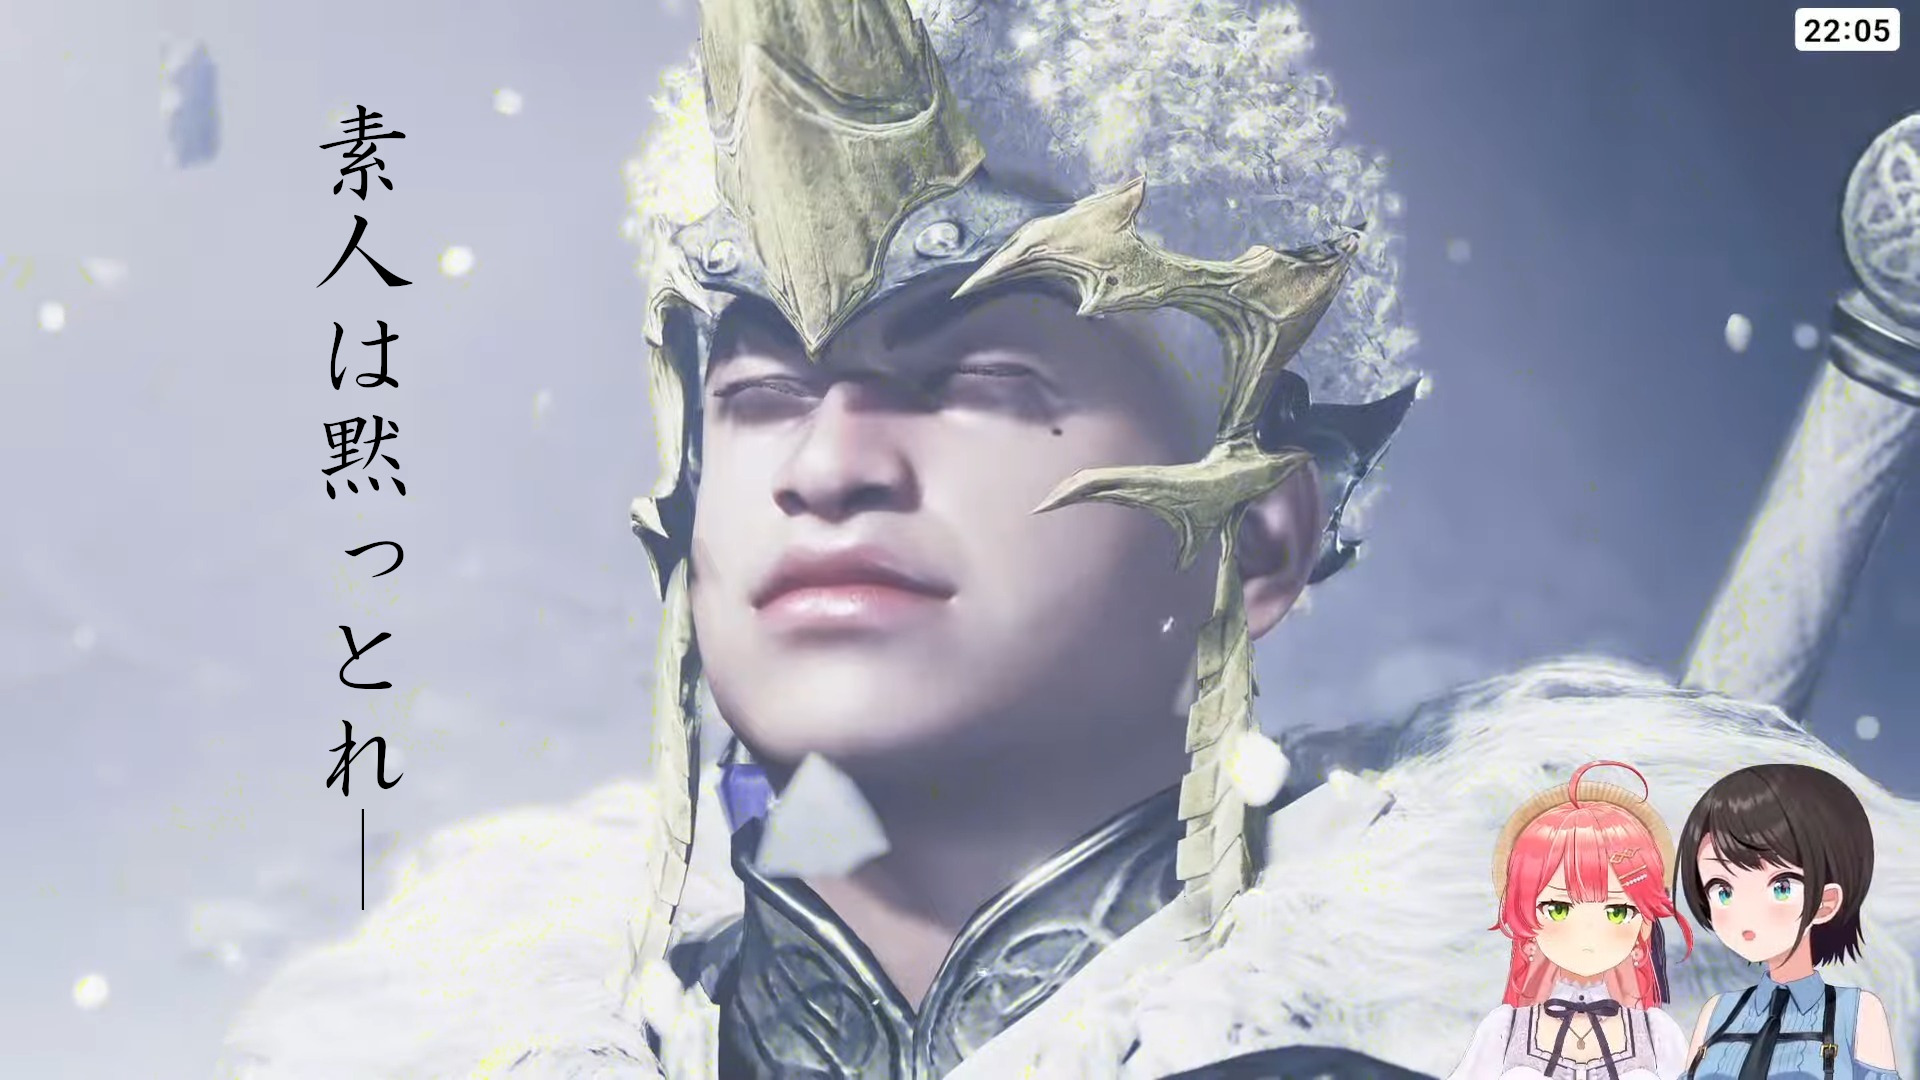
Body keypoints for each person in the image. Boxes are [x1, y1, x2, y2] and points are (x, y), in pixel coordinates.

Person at [216, 1, 1920, 1077]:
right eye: (762, 395)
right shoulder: (471, 1026)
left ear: (1259, 535)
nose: (830, 465)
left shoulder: (1504, 997)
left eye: (976, 380)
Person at [1447, 761, 1693, 1080]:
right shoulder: (1503, 1030)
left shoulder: (1658, 1033)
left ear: (1643, 927)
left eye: (1617, 912)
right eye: (1558, 909)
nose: (1588, 932)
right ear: (1525, 921)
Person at [1677, 764, 1903, 1080]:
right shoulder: (1717, 1012)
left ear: (1826, 902)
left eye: (1781, 887)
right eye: (1723, 890)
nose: (1746, 912)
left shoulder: (1857, 1013)